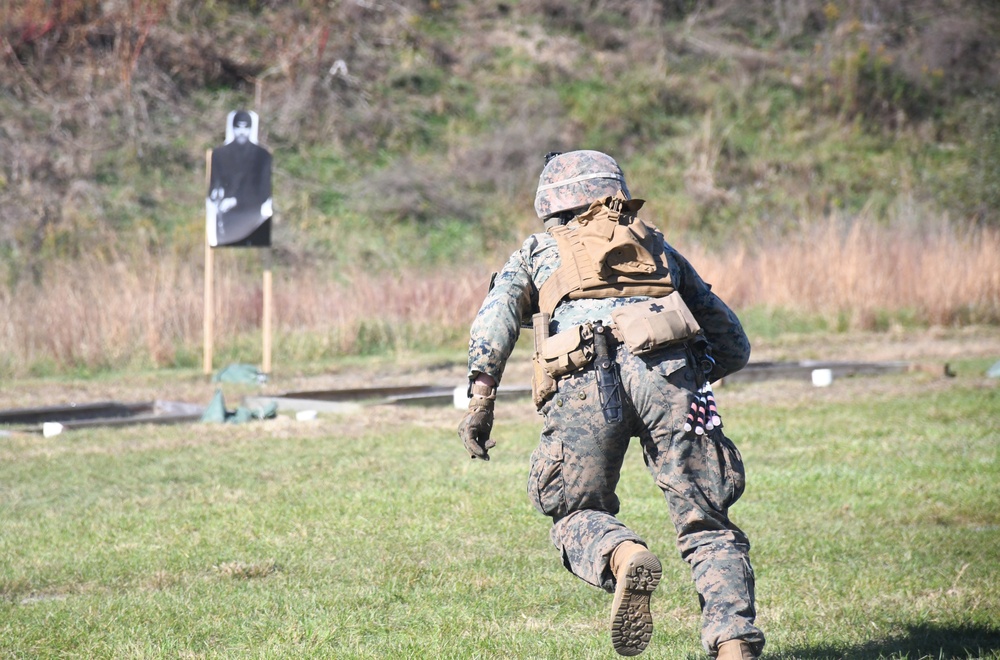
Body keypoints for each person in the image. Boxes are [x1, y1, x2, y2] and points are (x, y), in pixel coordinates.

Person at [458, 150, 764, 659]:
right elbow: (732, 341)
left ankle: (623, 555)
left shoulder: (539, 250)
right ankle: (734, 647)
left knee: (575, 509)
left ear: (552, 205)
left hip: (582, 380)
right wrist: (688, 378)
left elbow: (494, 324)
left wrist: (481, 402)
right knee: (707, 522)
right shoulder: (657, 247)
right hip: (670, 376)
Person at [206, 110, 273, 247]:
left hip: (253, 218)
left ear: (250, 128)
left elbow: (265, 192)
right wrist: (216, 194)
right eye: (238, 127)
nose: (242, 132)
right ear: (233, 128)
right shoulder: (219, 155)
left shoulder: (262, 156)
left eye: (245, 127)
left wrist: (236, 201)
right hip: (226, 218)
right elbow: (213, 184)